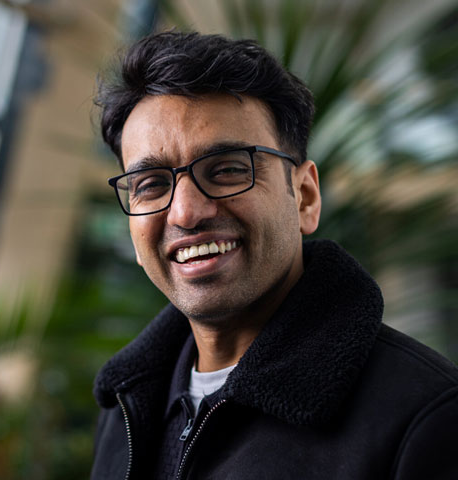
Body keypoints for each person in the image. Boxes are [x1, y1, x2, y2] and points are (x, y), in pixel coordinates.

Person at [90, 31, 458, 480]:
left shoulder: (424, 417)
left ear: (304, 197)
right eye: (151, 184)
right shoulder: (126, 407)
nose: (185, 212)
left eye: (226, 170)